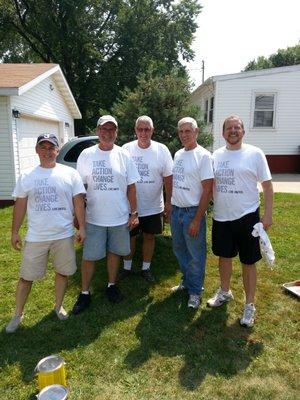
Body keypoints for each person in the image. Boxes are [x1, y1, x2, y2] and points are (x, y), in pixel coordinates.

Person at [6, 134, 86, 333]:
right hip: (36, 236)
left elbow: (78, 202)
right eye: (43, 147)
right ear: (37, 150)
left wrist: (82, 227)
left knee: (62, 272)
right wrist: (15, 232)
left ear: (57, 151)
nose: (47, 151)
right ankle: (18, 314)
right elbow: (20, 206)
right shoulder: (27, 176)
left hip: (63, 234)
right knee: (26, 277)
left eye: (52, 148)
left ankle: (58, 306)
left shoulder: (70, 174)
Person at [207, 115, 273, 328]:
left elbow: (268, 186)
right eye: (229, 128)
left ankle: (250, 305)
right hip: (221, 217)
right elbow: (210, 185)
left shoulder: (255, 154)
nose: (233, 131)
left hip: (248, 217)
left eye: (237, 128)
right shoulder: (215, 155)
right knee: (224, 257)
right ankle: (225, 292)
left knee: (248, 261)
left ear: (243, 132)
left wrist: (268, 215)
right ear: (223, 133)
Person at [72, 115, 140, 314]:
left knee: (114, 252)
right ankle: (85, 293)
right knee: (89, 256)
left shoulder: (124, 155)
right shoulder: (86, 154)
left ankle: (111, 286)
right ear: (97, 131)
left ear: (116, 133)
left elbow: (131, 187)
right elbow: (79, 189)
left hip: (119, 217)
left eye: (112, 130)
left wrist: (133, 213)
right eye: (104, 129)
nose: (107, 133)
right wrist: (79, 216)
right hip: (94, 217)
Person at [121, 116, 173, 282]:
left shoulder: (162, 150)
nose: (143, 132)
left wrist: (169, 202)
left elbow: (168, 178)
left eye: (147, 129)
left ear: (152, 130)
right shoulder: (126, 149)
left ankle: (146, 268)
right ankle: (127, 268)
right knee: (130, 236)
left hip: (153, 205)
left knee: (149, 236)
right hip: (130, 206)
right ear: (135, 130)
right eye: (140, 129)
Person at [171, 117, 214, 309]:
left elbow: (208, 190)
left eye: (188, 131)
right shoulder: (178, 154)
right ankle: (187, 281)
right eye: (181, 131)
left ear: (196, 132)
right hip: (176, 211)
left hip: (192, 212)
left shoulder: (203, 156)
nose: (184, 135)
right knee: (179, 249)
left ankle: (195, 291)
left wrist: (197, 219)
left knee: (195, 254)